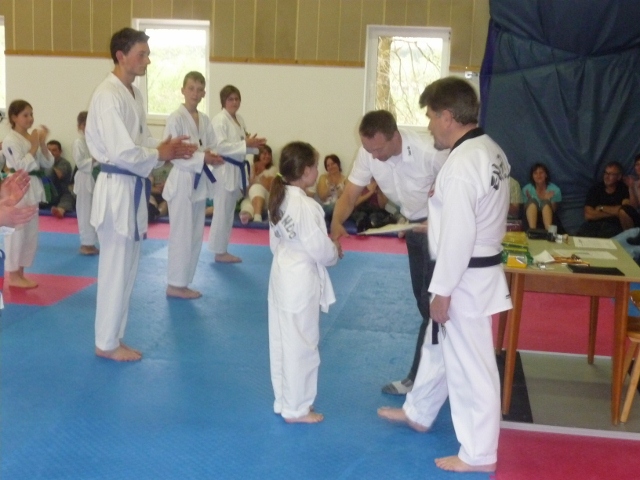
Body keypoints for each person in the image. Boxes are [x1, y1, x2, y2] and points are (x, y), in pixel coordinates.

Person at [377, 76, 512, 474]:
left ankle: (479, 454)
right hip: (474, 267)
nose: (429, 125)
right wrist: (434, 225)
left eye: (432, 116)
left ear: (448, 117)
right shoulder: (489, 149)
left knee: (472, 366)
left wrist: (443, 292)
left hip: (464, 277)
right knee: (437, 348)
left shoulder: (461, 165)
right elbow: (470, 216)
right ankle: (419, 411)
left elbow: (460, 235)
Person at [85, 27, 197, 362]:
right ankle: (105, 342)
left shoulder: (133, 94)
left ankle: (114, 336)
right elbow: (122, 152)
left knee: (128, 269)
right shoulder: (108, 95)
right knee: (115, 269)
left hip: (131, 187)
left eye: (147, 54)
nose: (147, 61)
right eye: (142, 54)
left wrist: (166, 148)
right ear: (121, 56)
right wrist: (160, 154)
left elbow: (141, 141)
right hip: (117, 188)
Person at [331, 109, 448, 395]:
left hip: (442, 230)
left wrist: (439, 223)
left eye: (379, 149)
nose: (374, 155)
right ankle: (441, 372)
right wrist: (335, 224)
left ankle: (421, 378)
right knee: (424, 303)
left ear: (395, 136)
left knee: (434, 306)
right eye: (369, 149)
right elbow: (350, 195)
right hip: (412, 227)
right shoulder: (368, 153)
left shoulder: (429, 151)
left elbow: (462, 194)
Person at [267, 141, 342, 424]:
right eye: (315, 166)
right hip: (299, 281)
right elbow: (319, 249)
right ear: (307, 171)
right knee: (302, 345)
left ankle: (284, 401)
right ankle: (297, 408)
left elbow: (274, 242)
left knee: (282, 342)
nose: (317, 171)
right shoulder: (307, 206)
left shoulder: (279, 197)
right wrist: (335, 251)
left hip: (281, 274)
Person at [163, 71, 224, 299]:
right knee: (181, 235)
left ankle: (184, 281)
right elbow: (172, 154)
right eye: (191, 88)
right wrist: (202, 157)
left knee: (195, 234)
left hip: (199, 182)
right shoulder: (175, 118)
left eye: (199, 90)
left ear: (204, 93)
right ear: (182, 90)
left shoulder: (205, 120)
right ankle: (175, 284)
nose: (195, 94)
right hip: (181, 181)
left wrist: (212, 156)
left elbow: (212, 146)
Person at [207, 85, 266, 263]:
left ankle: (222, 249)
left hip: (236, 168)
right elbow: (220, 147)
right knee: (222, 212)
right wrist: (246, 144)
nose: (234, 102)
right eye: (230, 99)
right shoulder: (220, 120)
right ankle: (218, 252)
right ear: (223, 101)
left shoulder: (239, 119)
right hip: (225, 169)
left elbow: (241, 145)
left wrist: (255, 147)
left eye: (237, 99)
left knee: (228, 212)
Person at [1, 99, 54, 288]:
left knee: (30, 234)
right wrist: (33, 146)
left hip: (32, 188)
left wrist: (42, 143)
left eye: (31, 114)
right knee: (16, 233)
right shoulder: (10, 140)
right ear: (14, 117)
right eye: (25, 115)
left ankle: (21, 273)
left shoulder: (31, 138)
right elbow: (20, 166)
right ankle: (13, 275)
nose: (30, 118)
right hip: (17, 188)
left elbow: (48, 164)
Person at [577, 161, 640, 238]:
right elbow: (588, 215)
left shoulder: (623, 189)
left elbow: (625, 210)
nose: (607, 177)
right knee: (579, 238)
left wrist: (601, 208)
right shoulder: (595, 189)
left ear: (619, 177)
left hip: (613, 226)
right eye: (606, 173)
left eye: (611, 174)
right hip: (593, 225)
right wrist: (615, 213)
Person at [73, 111, 100, 255]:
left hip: (94, 177)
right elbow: (80, 163)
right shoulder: (79, 142)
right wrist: (94, 159)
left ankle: (92, 242)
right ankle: (86, 244)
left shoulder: (95, 141)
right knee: (85, 212)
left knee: (93, 211)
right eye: (85, 124)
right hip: (84, 178)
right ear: (80, 126)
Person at [239, 144, 276, 224]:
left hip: (266, 201)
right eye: (264, 154)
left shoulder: (273, 169)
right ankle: (247, 215)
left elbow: (270, 188)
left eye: (269, 154)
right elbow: (245, 192)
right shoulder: (249, 168)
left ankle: (257, 218)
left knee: (256, 187)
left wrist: (257, 178)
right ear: (258, 155)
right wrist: (253, 173)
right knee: (246, 204)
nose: (267, 156)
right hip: (251, 199)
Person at [521, 163, 562, 231]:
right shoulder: (526, 189)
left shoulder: (555, 190)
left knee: (546, 203)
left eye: (541, 173)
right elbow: (525, 210)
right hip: (530, 220)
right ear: (532, 176)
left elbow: (554, 210)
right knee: (532, 202)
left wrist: (547, 200)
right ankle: (532, 232)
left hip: (549, 219)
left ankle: (549, 233)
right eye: (535, 173)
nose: (538, 175)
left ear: (546, 175)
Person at [44, 140, 75, 218]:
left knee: (68, 197)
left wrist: (49, 164)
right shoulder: (41, 163)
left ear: (60, 152)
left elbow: (59, 175)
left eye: (54, 150)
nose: (51, 153)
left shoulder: (64, 163)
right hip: (47, 193)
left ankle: (60, 210)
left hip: (61, 193)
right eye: (48, 150)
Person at [316, 154, 346, 219]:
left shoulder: (345, 180)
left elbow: (347, 199)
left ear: (338, 164)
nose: (331, 167)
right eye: (328, 165)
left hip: (340, 208)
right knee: (332, 207)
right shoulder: (323, 178)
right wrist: (328, 190)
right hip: (327, 207)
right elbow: (322, 197)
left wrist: (340, 193)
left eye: (333, 164)